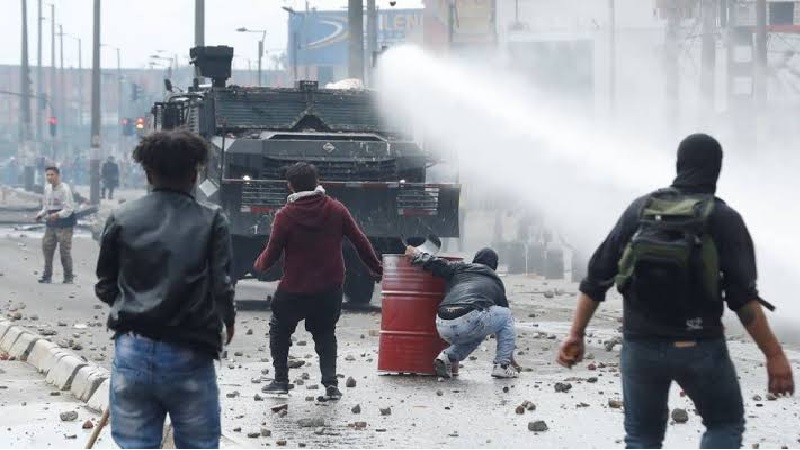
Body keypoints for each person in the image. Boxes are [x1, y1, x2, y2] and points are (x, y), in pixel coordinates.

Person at [557, 133, 795, 449]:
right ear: (717, 170)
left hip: (641, 345)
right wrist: (774, 355)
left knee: (642, 437)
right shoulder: (723, 218)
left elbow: (596, 279)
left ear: (679, 164)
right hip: (700, 345)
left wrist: (576, 334)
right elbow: (743, 301)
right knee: (724, 424)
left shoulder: (640, 211)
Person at [95, 130, 236, 449]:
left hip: (132, 350)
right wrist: (228, 321)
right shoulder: (211, 220)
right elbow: (221, 286)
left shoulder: (121, 217)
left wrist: (131, 305)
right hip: (191, 352)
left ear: (148, 172)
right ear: (195, 173)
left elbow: (106, 286)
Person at [254, 162, 382, 399]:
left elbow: (272, 252)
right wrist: (376, 268)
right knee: (325, 333)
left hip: (294, 288)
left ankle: (281, 381)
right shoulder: (336, 209)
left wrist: (259, 265)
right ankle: (331, 385)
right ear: (317, 181)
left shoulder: (285, 215)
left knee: (280, 328)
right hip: (329, 287)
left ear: (289, 186)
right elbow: (359, 240)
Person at [405, 245, 518, 379]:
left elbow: (435, 263)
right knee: (506, 315)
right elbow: (504, 326)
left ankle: (446, 357)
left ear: (474, 260)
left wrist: (418, 255)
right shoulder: (496, 282)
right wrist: (507, 356)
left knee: (477, 334)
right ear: (494, 266)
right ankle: (502, 366)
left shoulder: (459, 268)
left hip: (442, 322)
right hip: (469, 319)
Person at [35, 166, 75, 284]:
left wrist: (57, 215)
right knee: (47, 249)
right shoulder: (47, 188)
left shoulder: (65, 190)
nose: (49, 177)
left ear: (58, 175)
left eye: (52, 175)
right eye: (47, 175)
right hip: (51, 224)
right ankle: (47, 276)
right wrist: (40, 214)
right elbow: (46, 206)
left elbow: (68, 209)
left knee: (64, 251)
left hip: (64, 224)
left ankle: (68, 277)